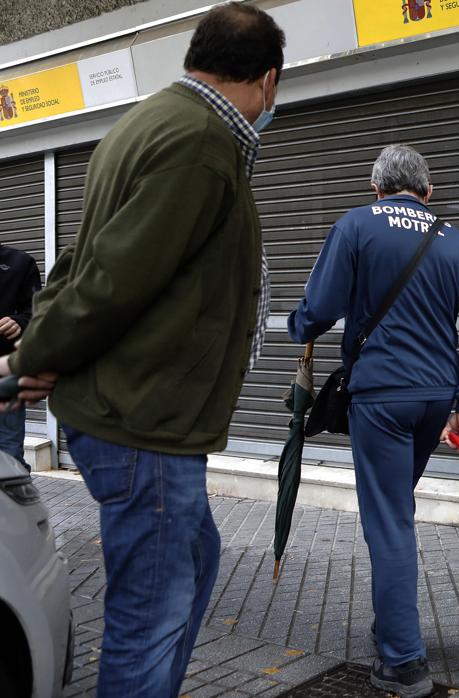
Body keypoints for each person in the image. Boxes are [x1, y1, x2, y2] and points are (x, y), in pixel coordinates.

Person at [0, 5, 284, 696]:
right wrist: (35, 355)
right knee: (149, 615)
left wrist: (41, 351)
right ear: (268, 80)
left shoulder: (148, 122)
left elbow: (81, 259)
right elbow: (110, 279)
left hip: (146, 420)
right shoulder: (199, 142)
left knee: (193, 563)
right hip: (143, 420)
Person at [289, 144, 459, 697]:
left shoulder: (357, 225)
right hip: (435, 399)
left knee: (389, 523)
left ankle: (403, 660)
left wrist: (296, 324)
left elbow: (320, 306)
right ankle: (392, 619)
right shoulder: (455, 239)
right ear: (427, 192)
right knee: (396, 507)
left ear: (376, 188)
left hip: (381, 396)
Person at [0, 244, 41, 469]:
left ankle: (12, 503)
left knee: (9, 454)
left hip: (6, 375)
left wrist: (19, 322)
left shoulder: (19, 262)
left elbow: (37, 313)